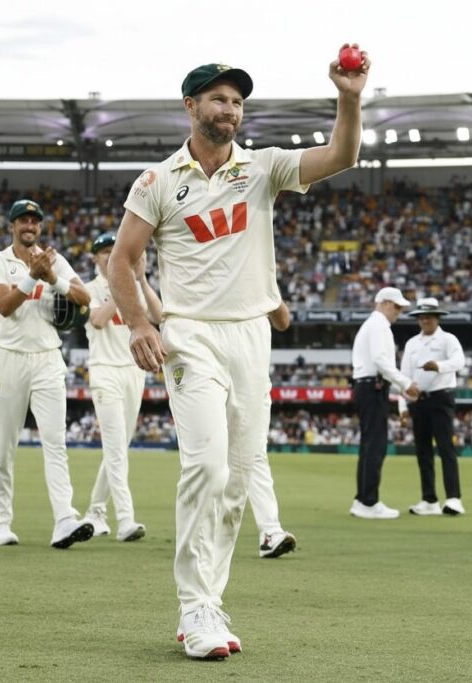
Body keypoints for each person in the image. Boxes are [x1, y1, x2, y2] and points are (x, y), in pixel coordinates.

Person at [108, 51, 370, 660]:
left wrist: (349, 99)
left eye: (237, 102)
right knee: (207, 466)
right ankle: (194, 604)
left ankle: (211, 598)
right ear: (191, 107)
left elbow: (342, 156)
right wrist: (139, 323)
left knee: (242, 475)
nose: (230, 110)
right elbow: (123, 260)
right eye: (219, 100)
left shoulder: (264, 168)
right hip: (190, 333)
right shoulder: (155, 182)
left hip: (251, 334)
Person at [0, 198, 93, 550]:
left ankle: (64, 519)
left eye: (35, 222)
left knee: (55, 442)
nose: (29, 226)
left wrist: (53, 278)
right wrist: (33, 277)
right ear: (12, 226)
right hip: (11, 358)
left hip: (48, 357)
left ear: (40, 227)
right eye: (23, 221)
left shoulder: (54, 260)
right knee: (3, 446)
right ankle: (1, 523)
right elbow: (4, 306)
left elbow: (84, 296)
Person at [80, 232, 161, 543]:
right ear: (95, 259)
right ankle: (125, 519)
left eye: (114, 251)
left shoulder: (134, 286)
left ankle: (94, 513)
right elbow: (99, 319)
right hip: (104, 372)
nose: (108, 256)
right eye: (103, 253)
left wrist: (139, 280)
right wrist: (120, 285)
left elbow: (158, 315)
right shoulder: (88, 289)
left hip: (133, 371)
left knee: (117, 449)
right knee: (115, 449)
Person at [399, 297, 467, 516]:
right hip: (418, 401)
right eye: (422, 317)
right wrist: (402, 406)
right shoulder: (412, 343)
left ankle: (454, 498)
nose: (425, 320)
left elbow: (459, 362)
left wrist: (438, 366)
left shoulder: (448, 339)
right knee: (423, 451)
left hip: (441, 397)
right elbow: (404, 377)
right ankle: (429, 499)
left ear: (438, 318)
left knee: (446, 447)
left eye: (429, 316)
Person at [350, 287, 413, 520]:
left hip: (370, 386)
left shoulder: (373, 325)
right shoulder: (378, 325)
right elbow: (380, 360)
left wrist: (400, 387)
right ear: (385, 303)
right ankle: (368, 501)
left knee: (370, 445)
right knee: (375, 446)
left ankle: (363, 499)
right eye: (397, 307)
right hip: (372, 387)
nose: (399, 312)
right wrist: (405, 383)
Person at [248, 300, 297, 559]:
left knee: (255, 455)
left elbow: (283, 321)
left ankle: (270, 532)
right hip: (209, 375)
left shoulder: (258, 268)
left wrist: (266, 284)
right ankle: (200, 535)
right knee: (208, 462)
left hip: (254, 381)